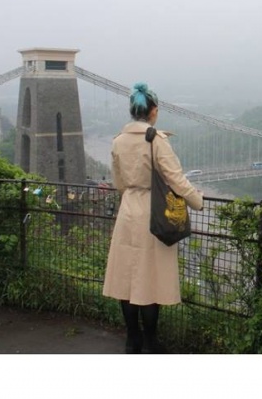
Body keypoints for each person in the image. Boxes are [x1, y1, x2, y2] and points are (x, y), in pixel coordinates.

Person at [102, 82, 204, 354]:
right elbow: (176, 179)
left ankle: (131, 339)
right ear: (154, 111)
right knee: (150, 280)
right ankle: (151, 343)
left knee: (126, 279)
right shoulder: (156, 139)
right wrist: (197, 201)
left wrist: (131, 195)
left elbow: (119, 182)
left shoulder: (118, 141)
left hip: (127, 211)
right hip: (153, 214)